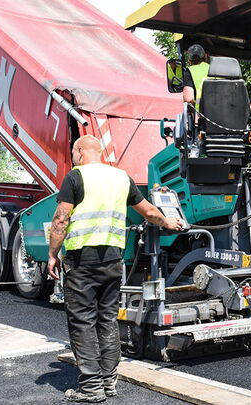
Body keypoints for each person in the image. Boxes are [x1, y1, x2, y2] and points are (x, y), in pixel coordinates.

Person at [47, 136, 186, 403]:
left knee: (83, 322)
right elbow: (147, 210)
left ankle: (91, 388)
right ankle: (109, 382)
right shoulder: (121, 177)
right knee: (107, 320)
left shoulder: (76, 177)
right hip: (113, 260)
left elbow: (61, 218)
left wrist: (53, 254)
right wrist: (169, 222)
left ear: (79, 151)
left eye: (73, 152)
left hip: (81, 261)